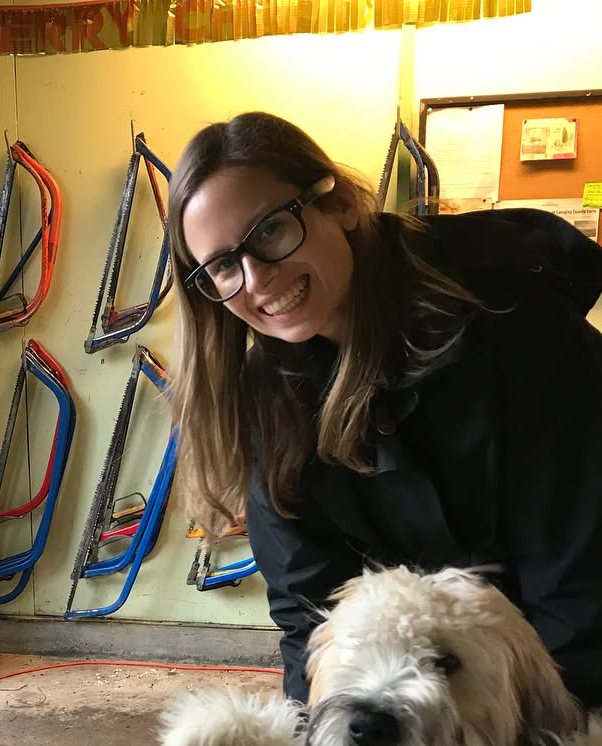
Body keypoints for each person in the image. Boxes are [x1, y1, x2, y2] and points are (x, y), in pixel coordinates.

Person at [167, 111, 602, 709]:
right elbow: (308, 606)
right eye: (221, 265)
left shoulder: (522, 330)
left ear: (339, 202)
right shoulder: (272, 397)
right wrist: (323, 738)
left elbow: (580, 574)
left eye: (268, 231)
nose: (255, 279)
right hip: (423, 699)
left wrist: (559, 744)